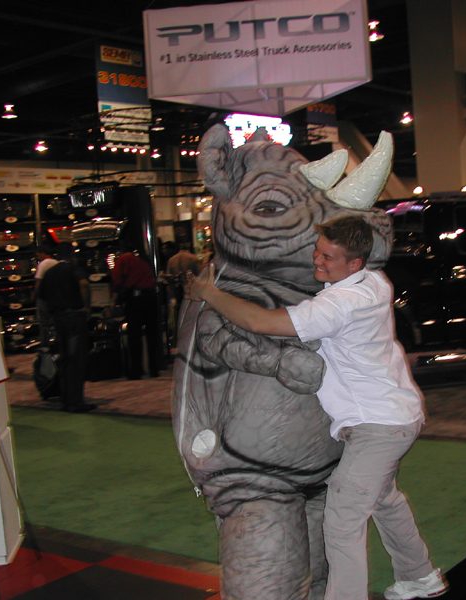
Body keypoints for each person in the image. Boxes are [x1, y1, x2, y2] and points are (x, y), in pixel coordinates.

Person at [188, 216, 447, 600]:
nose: (316, 260)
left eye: (328, 257)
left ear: (355, 263)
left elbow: (259, 322)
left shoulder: (340, 305)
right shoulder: (376, 282)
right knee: (383, 499)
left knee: (342, 519)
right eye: (318, 250)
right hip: (394, 416)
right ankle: (419, 577)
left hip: (378, 427)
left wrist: (209, 293)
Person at [37, 242, 95, 413]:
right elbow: (84, 284)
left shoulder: (49, 273)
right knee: (76, 359)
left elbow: (41, 296)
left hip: (58, 317)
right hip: (74, 317)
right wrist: (87, 307)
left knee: (64, 360)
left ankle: (66, 399)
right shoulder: (74, 269)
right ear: (71, 254)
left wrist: (50, 315)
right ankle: (76, 401)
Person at [110, 242, 164, 379]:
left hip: (135, 299)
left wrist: (113, 300)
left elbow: (117, 281)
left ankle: (136, 371)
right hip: (151, 297)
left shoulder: (122, 260)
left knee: (134, 335)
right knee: (152, 334)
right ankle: (153, 368)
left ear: (121, 251)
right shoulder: (141, 262)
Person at [32, 245, 58, 347]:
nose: (38, 258)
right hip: (55, 296)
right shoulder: (56, 263)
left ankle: (45, 343)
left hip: (44, 296)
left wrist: (35, 295)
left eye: (38, 255)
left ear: (42, 253)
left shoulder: (43, 264)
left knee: (43, 322)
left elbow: (38, 282)